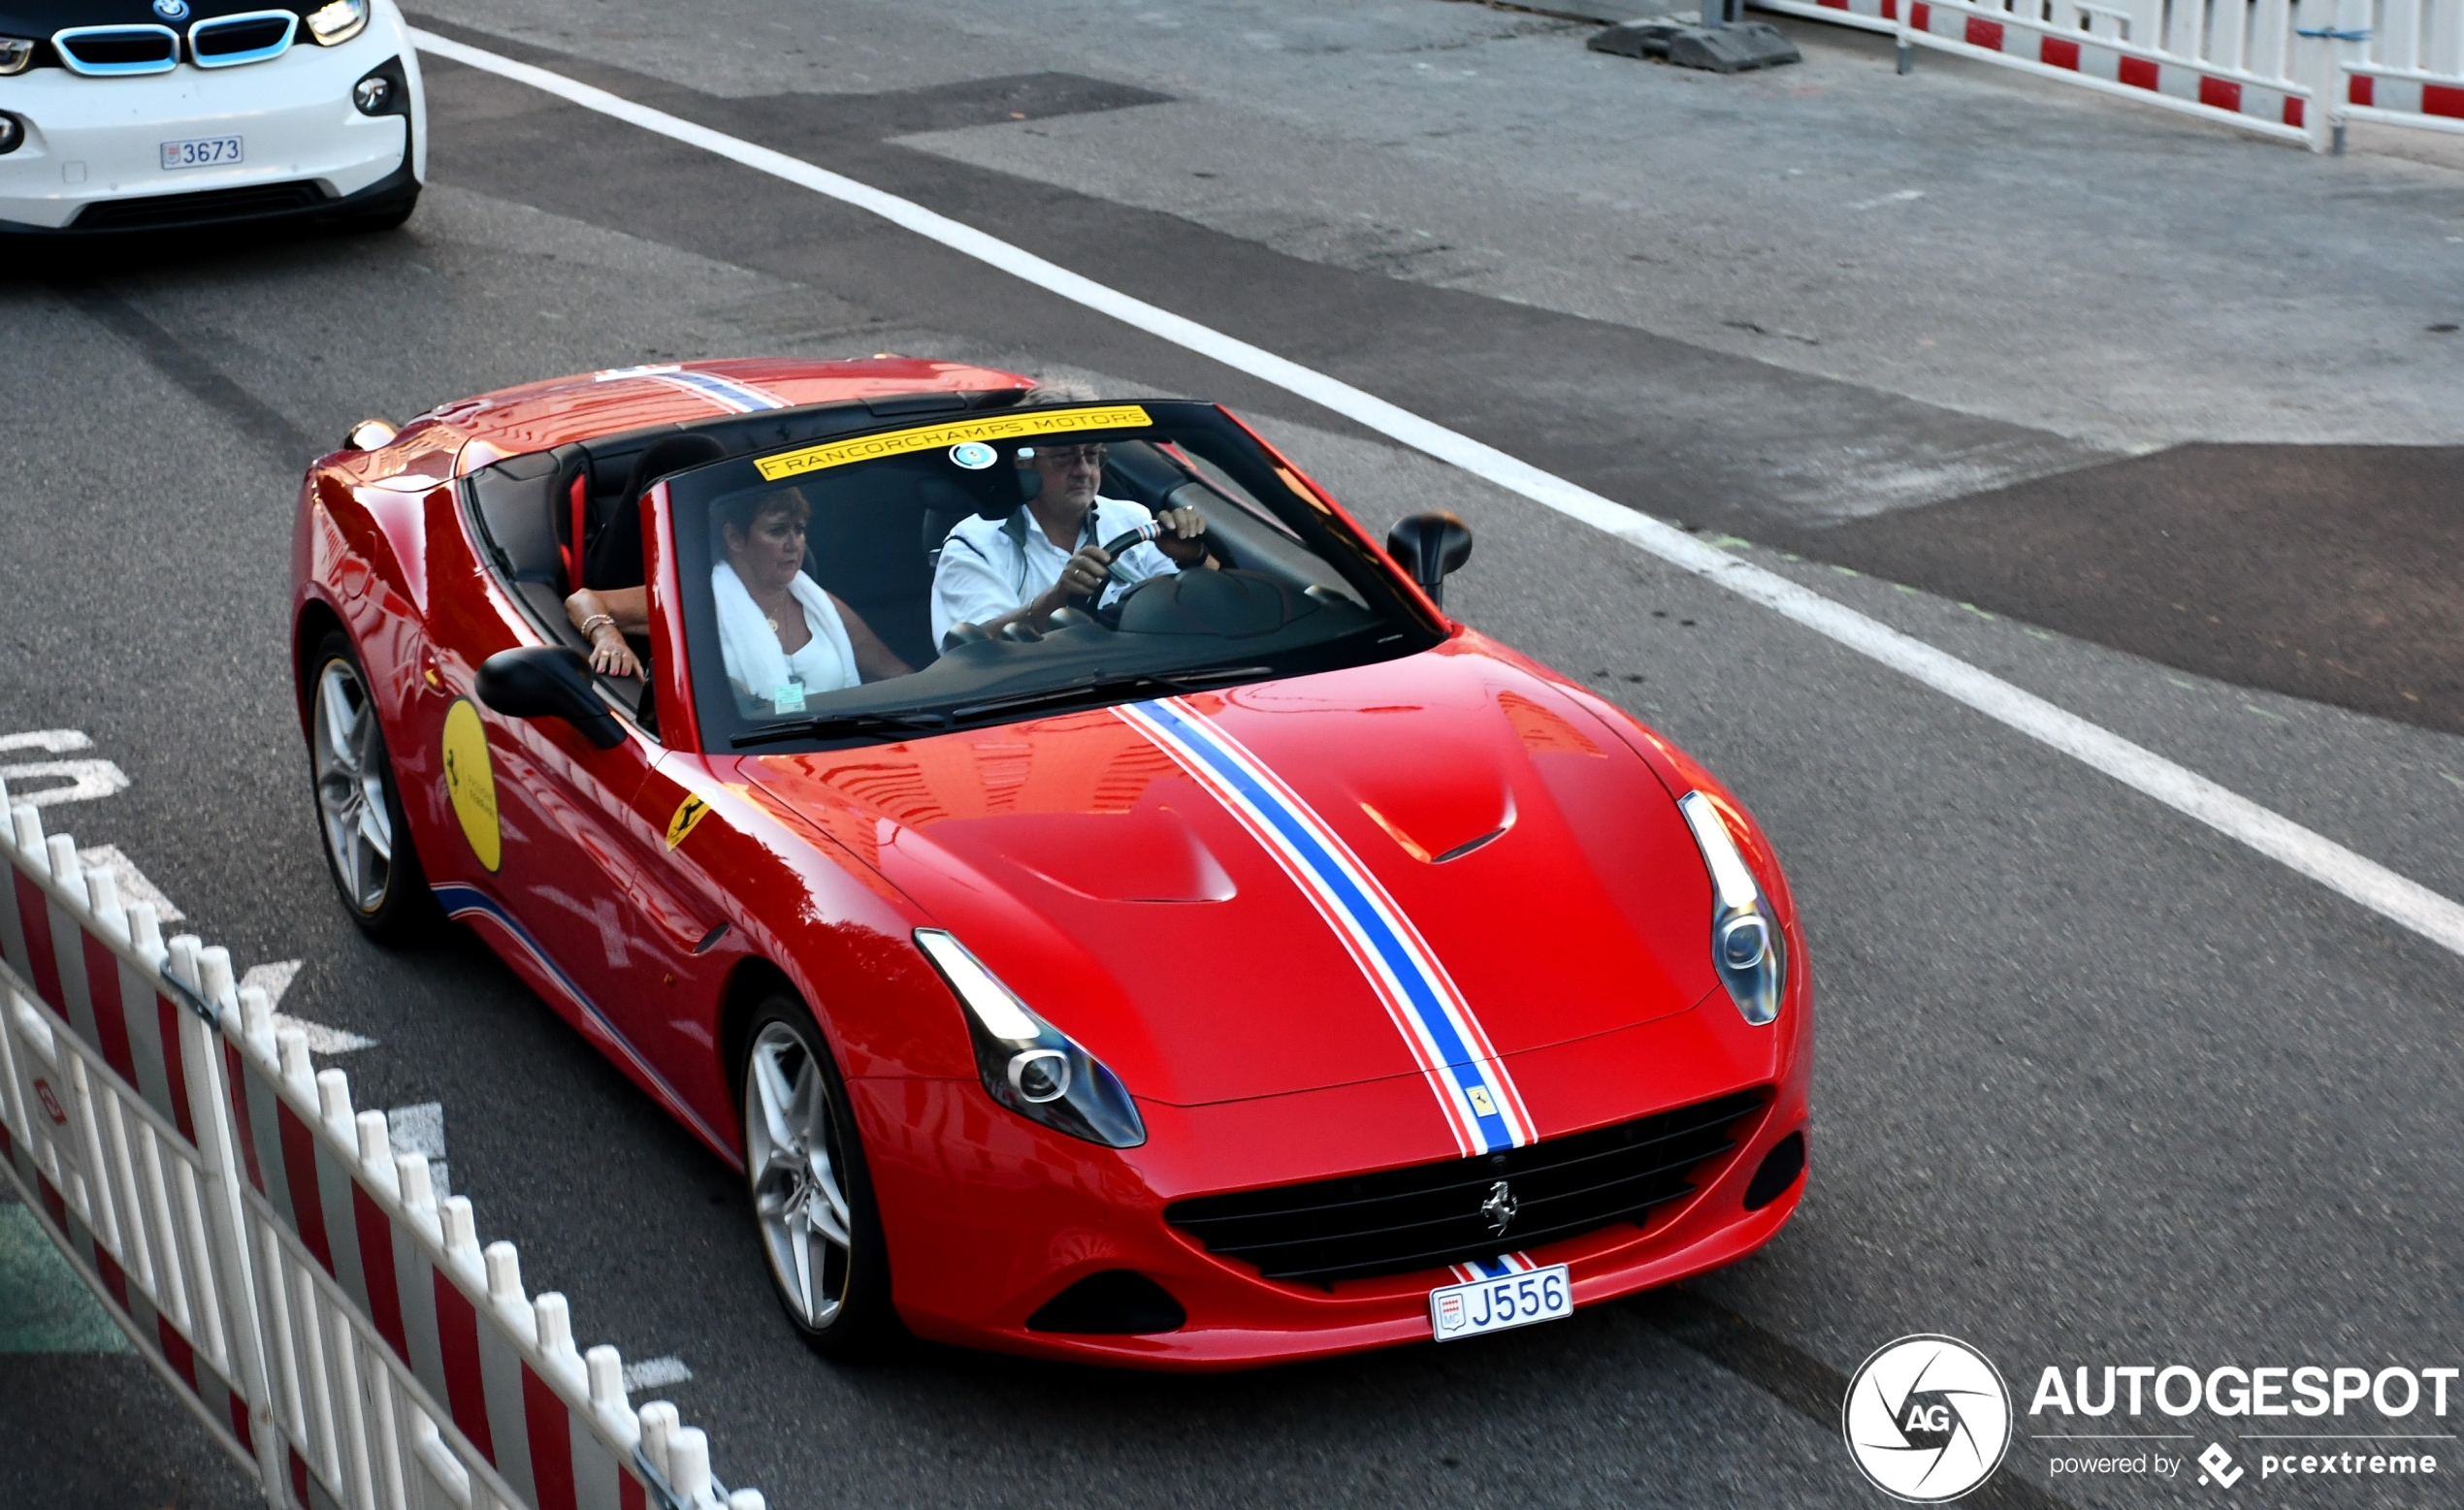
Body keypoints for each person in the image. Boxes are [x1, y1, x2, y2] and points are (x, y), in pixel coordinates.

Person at [566, 490, 908, 712]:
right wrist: (608, 636)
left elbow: (900, 678)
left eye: (799, 529)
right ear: (734, 537)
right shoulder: (698, 602)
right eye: (778, 531)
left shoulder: (823, 608)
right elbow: (584, 600)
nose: (795, 543)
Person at [929, 438, 1210, 648]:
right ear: (1024, 463)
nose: (1084, 470)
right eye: (1064, 457)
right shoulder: (973, 544)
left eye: (1092, 454)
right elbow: (974, 650)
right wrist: (1057, 599)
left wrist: (1194, 558)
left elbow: (1195, 611)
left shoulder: (1132, 518)